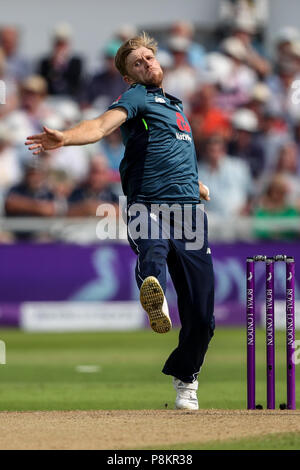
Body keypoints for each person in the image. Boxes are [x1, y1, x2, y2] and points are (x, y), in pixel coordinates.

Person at [25, 33, 214, 411]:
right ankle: (152, 286)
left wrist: (197, 184)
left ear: (159, 62)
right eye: (137, 64)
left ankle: (186, 378)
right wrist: (65, 137)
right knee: (153, 250)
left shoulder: (177, 107)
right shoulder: (135, 98)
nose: (146, 64)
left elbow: (171, 153)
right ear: (128, 78)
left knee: (204, 316)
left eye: (148, 58)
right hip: (149, 205)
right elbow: (98, 126)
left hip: (190, 213)